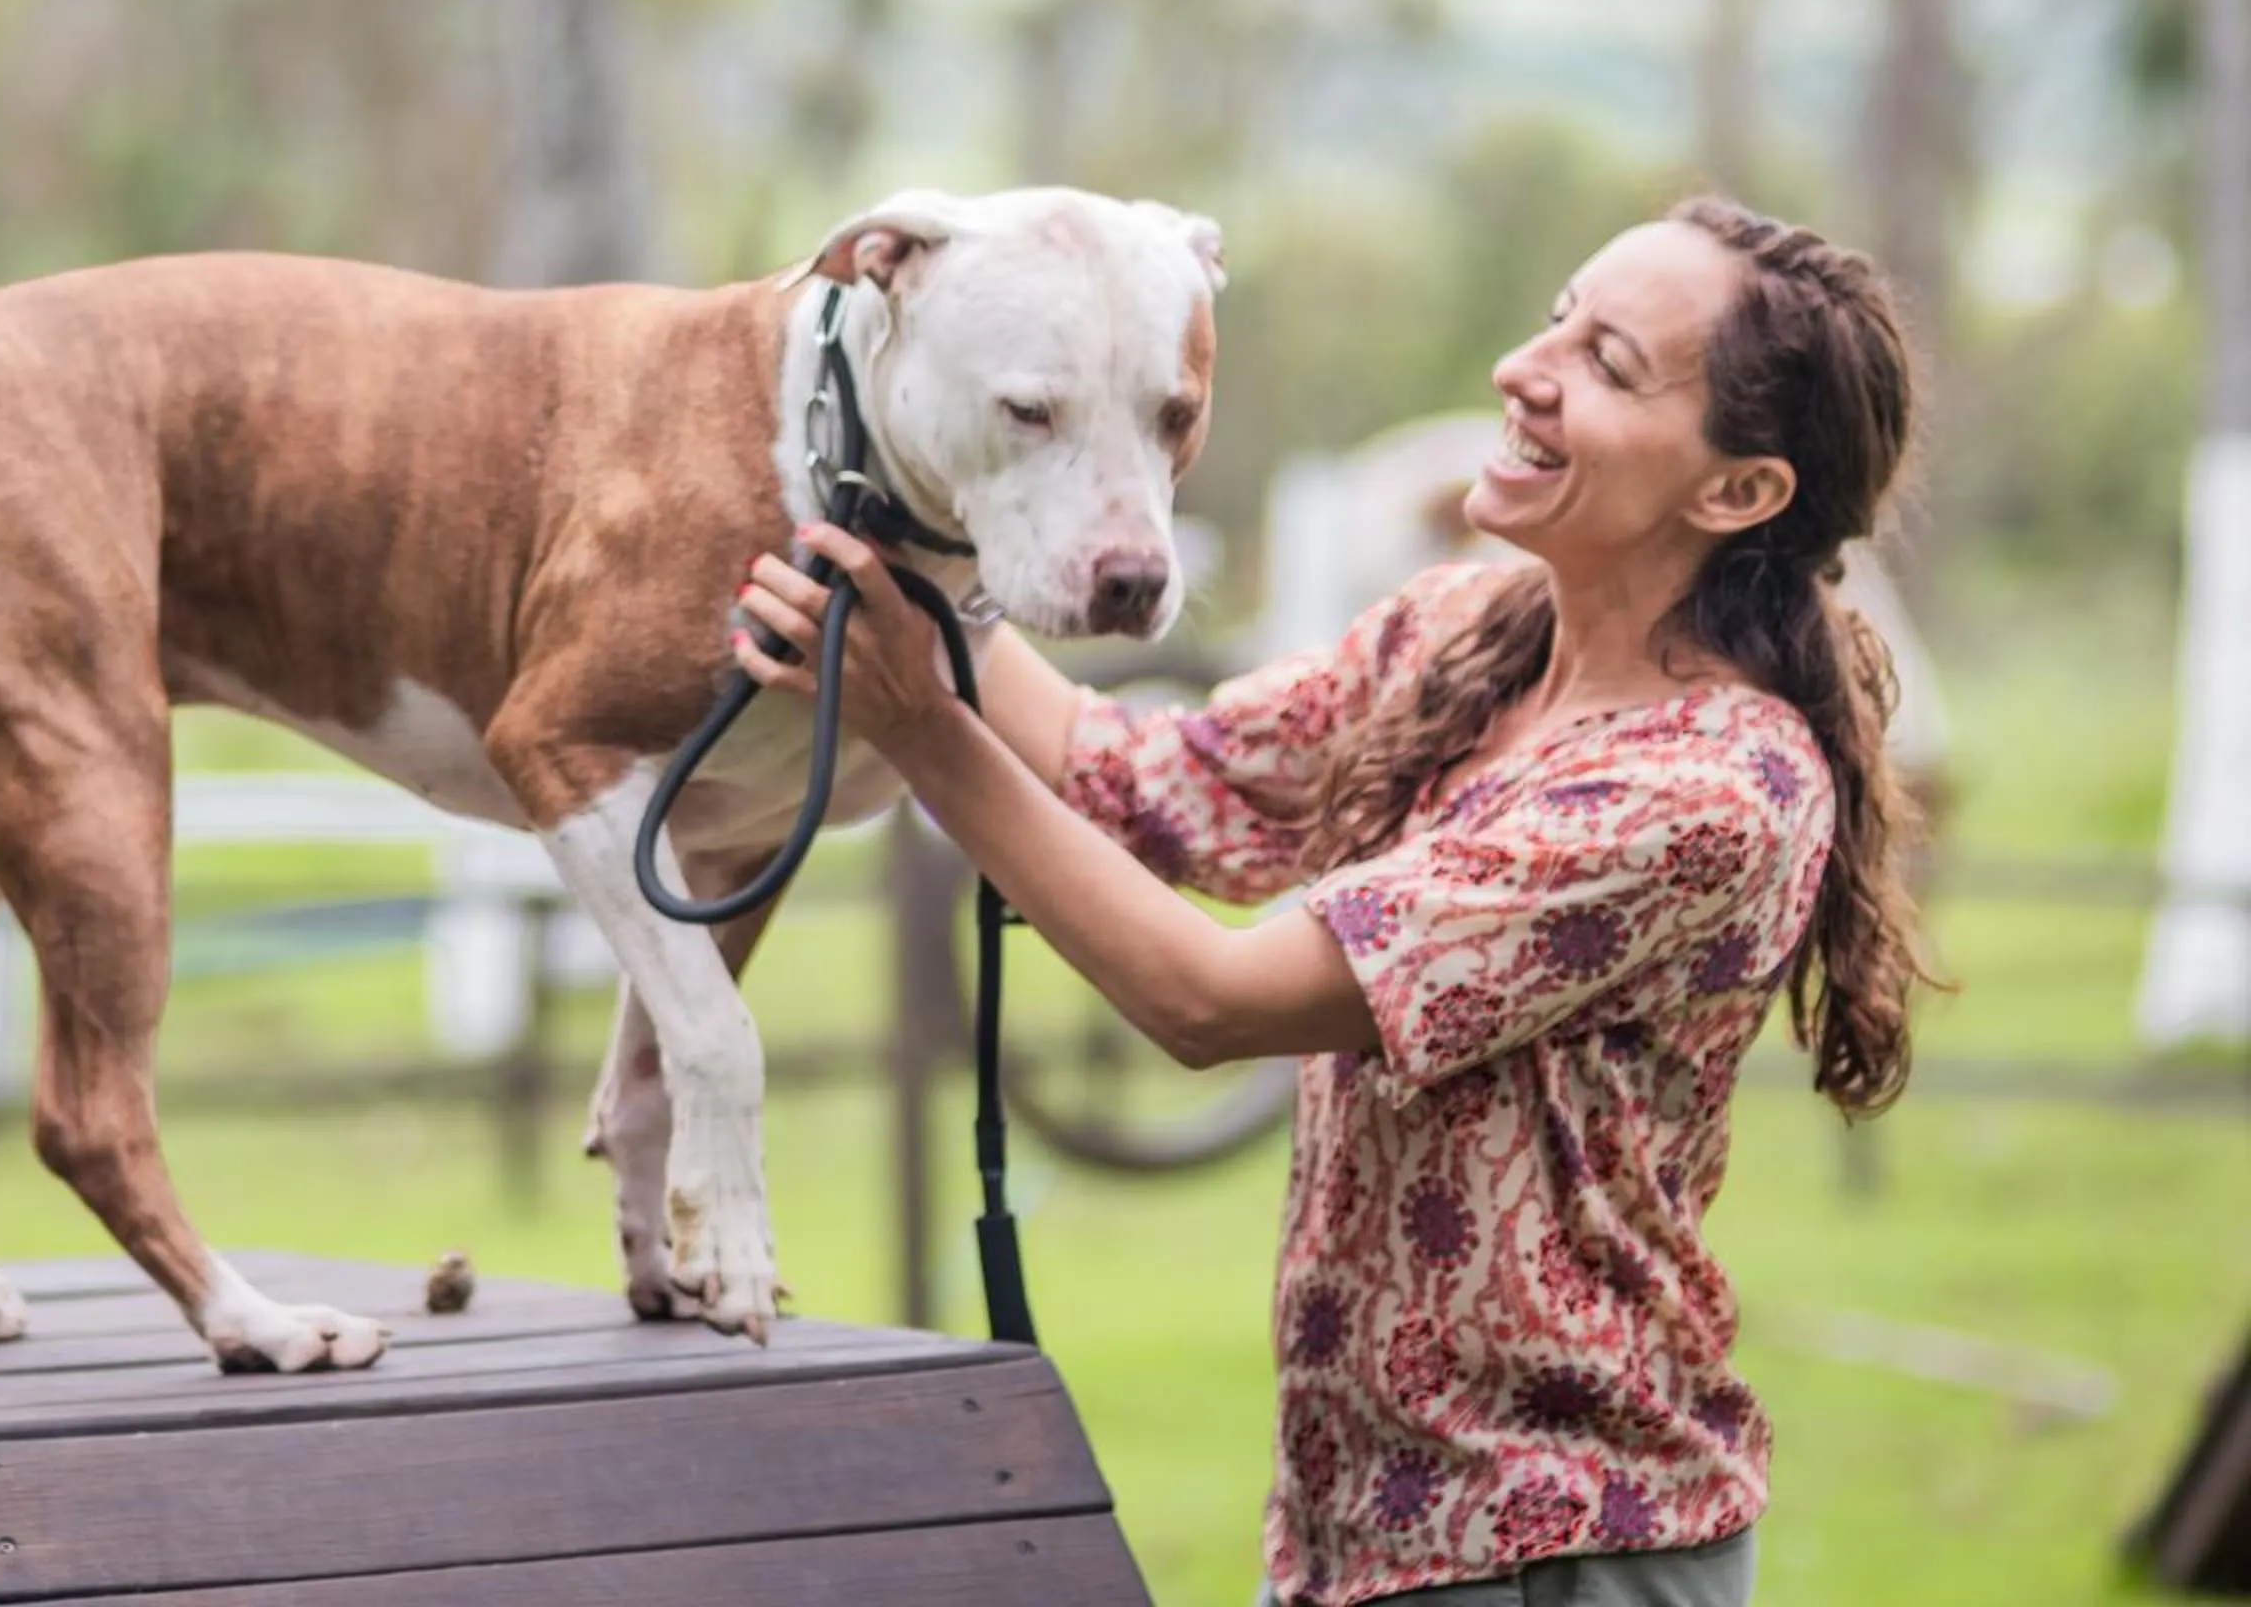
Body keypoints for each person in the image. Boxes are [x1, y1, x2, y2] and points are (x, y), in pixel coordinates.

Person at [733, 197, 1933, 1607]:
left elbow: (1212, 1001)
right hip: (1358, 1531)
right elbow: (1138, 776)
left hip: (1561, 1542)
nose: (1524, 369)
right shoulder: (1468, 637)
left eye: (1608, 364)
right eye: (1558, 314)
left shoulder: (1702, 793)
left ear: (1737, 493)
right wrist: (904, 524)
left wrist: (923, 726)